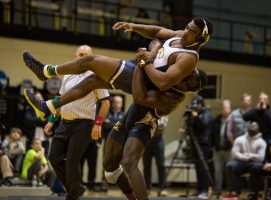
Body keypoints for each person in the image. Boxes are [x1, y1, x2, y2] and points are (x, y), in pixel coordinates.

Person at [21, 16, 212, 120]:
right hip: (139, 68)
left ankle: (46, 71)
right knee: (91, 81)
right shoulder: (180, 35)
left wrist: (145, 63)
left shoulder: (189, 59)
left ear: (200, 39)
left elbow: (162, 83)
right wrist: (133, 26)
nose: (186, 32)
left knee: (90, 61)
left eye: (192, 32)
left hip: (142, 78)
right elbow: (156, 32)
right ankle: (49, 107)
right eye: (187, 27)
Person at [102, 61, 203, 200]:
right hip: (128, 118)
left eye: (187, 85)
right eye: (186, 78)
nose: (183, 82)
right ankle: (131, 197)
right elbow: (157, 44)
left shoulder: (174, 97)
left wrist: (141, 63)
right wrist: (150, 54)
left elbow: (139, 97)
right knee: (109, 165)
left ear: (189, 90)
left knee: (129, 162)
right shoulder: (170, 73)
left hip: (145, 122)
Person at [43, 45, 110, 200]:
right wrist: (52, 121)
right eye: (81, 54)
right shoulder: (67, 75)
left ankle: (73, 195)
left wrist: (98, 124)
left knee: (72, 162)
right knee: (53, 158)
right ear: (76, 57)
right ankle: (76, 188)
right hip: (64, 123)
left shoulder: (96, 76)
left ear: (92, 57)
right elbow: (60, 101)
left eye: (87, 55)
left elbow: (105, 103)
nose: (84, 57)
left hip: (83, 125)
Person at [222, 122, 267, 200]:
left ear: (258, 129)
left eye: (255, 125)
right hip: (241, 162)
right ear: (247, 127)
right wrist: (246, 157)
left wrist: (248, 155)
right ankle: (234, 192)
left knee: (257, 166)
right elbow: (234, 154)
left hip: (254, 164)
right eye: (251, 125)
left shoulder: (262, 142)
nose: (253, 126)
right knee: (230, 165)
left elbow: (261, 158)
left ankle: (254, 193)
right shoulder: (239, 139)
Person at [188, 95, 213, 199]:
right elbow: (192, 127)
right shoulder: (197, 114)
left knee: (203, 168)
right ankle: (199, 189)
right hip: (196, 144)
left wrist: (195, 116)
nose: (195, 107)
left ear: (201, 104)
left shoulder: (207, 113)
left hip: (204, 145)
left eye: (196, 105)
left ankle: (205, 190)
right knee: (198, 168)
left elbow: (203, 124)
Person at [101, 95, 125, 191]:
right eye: (115, 102)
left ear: (121, 104)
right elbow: (105, 126)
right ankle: (104, 184)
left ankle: (122, 185)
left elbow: (124, 127)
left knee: (121, 164)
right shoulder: (106, 113)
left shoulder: (124, 115)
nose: (117, 104)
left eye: (119, 102)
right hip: (108, 143)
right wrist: (116, 124)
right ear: (112, 103)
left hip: (120, 144)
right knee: (106, 163)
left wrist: (112, 124)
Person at [142, 116, 168, 195]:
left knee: (161, 166)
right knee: (146, 166)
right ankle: (147, 188)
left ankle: (162, 188)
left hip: (158, 141)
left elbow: (162, 125)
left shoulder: (163, 113)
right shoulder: (148, 112)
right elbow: (144, 123)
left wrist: (152, 122)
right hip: (147, 140)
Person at [211, 99, 232, 197]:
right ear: (221, 108)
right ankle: (217, 190)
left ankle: (230, 190)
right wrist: (213, 145)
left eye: (227, 107)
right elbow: (212, 134)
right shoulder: (216, 120)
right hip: (218, 149)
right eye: (223, 107)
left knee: (229, 171)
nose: (225, 109)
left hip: (230, 149)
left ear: (230, 108)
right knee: (217, 171)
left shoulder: (233, 120)